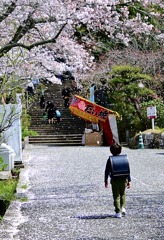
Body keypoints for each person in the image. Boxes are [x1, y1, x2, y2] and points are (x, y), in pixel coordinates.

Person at [104, 143, 131, 218]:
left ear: (111, 151)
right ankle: (123, 208)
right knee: (123, 193)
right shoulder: (124, 159)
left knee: (116, 196)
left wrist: (105, 181)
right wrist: (129, 180)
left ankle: (118, 212)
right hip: (123, 179)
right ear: (120, 151)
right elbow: (127, 170)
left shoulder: (110, 160)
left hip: (114, 180)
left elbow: (106, 171)